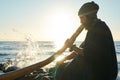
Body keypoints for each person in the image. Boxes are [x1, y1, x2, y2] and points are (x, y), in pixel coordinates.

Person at [55, 1, 118, 80]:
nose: (80, 22)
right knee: (63, 66)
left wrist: (71, 46)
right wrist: (64, 58)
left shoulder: (99, 29)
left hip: (102, 75)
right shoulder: (96, 27)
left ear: (89, 16)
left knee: (62, 72)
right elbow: (82, 49)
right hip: (101, 72)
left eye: (82, 18)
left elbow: (88, 53)